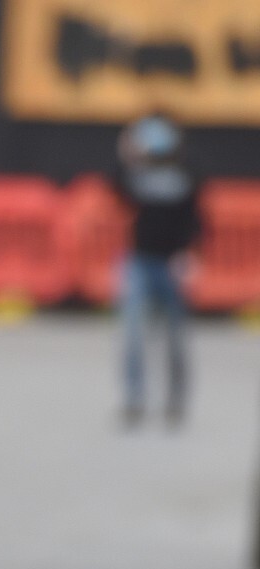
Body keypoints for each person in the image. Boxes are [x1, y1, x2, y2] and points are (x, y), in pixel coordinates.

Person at [114, 113, 204, 426]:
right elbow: (118, 191)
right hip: (140, 262)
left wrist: (189, 254)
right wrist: (128, 154)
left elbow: (196, 221)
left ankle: (176, 401)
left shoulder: (186, 176)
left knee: (175, 338)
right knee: (133, 334)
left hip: (172, 264)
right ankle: (134, 399)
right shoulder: (139, 174)